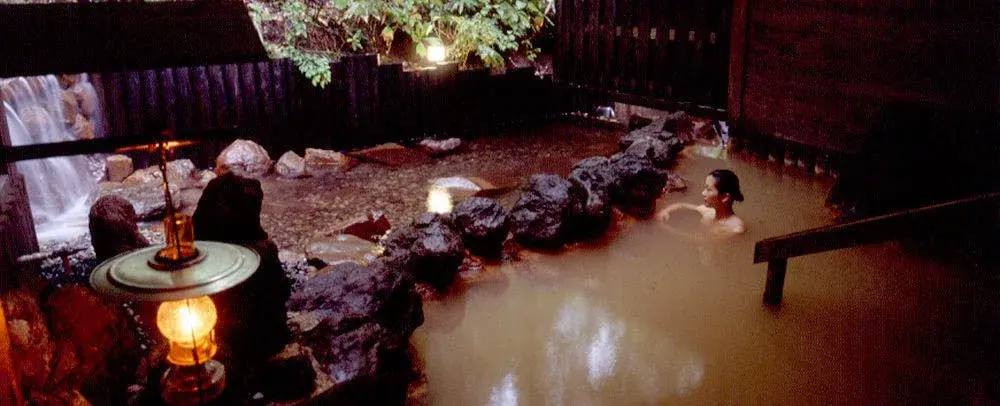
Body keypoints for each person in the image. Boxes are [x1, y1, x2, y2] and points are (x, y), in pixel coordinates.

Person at [657, 169, 746, 239]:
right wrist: (666, 211)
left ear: (725, 197)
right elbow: (681, 205)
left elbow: (702, 240)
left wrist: (666, 228)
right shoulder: (709, 211)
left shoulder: (736, 228)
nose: (703, 193)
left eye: (708, 189)